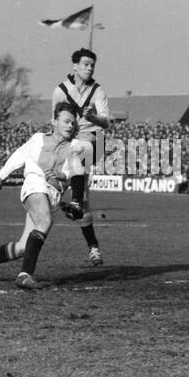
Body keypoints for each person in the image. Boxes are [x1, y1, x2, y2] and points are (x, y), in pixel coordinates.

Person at [0, 104, 91, 290]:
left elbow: (78, 174)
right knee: (45, 221)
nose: (70, 126)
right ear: (54, 122)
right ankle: (25, 274)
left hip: (51, 197)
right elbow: (18, 156)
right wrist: (1, 176)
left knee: (22, 247)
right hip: (34, 186)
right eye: (66, 121)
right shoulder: (38, 139)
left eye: (73, 123)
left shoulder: (75, 146)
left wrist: (64, 176)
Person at [51, 48, 114, 266]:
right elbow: (56, 124)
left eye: (92, 65)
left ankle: (75, 201)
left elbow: (107, 122)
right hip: (71, 144)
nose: (90, 68)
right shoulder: (60, 91)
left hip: (94, 140)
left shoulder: (98, 91)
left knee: (76, 151)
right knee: (84, 206)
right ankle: (94, 248)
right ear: (75, 66)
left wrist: (93, 117)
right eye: (86, 64)